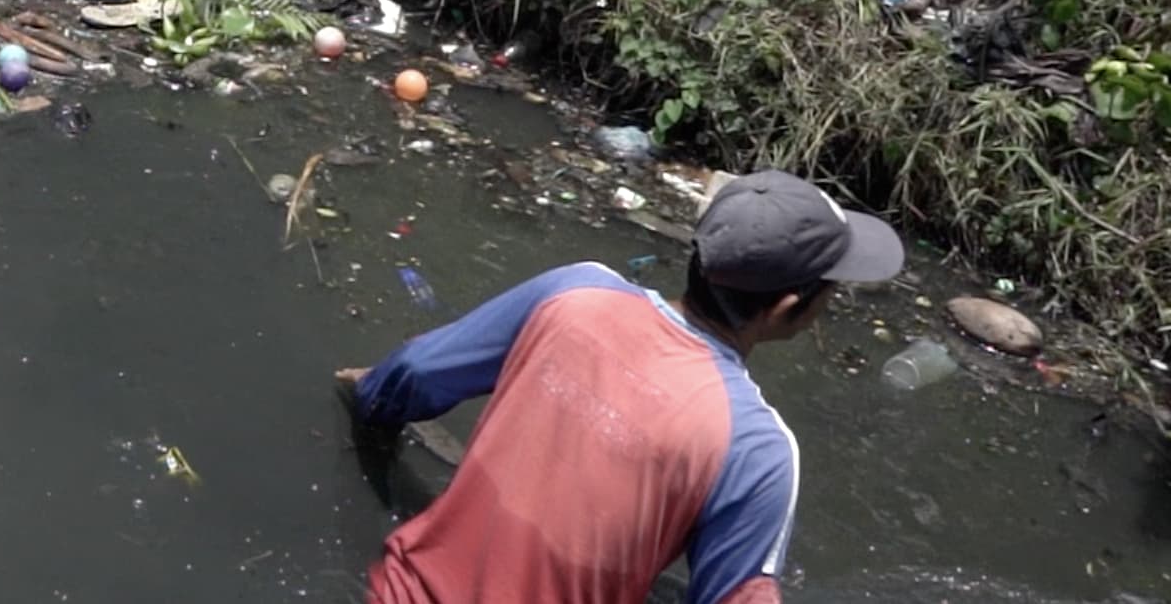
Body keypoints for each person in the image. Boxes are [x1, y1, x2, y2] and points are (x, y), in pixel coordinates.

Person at [335, 170, 906, 604]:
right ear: (786, 308)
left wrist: (370, 400)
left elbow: (414, 373)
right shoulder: (756, 448)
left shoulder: (575, 293)